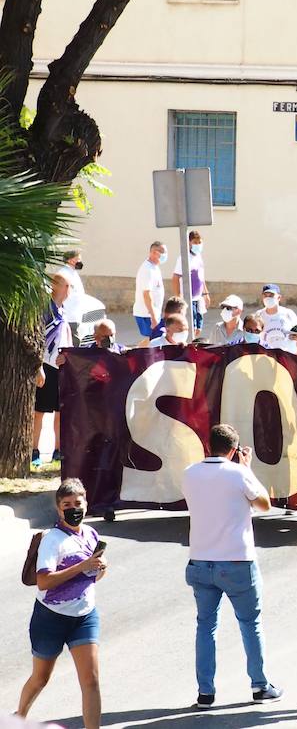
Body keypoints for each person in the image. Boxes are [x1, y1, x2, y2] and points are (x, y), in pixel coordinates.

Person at [182, 424, 282, 708]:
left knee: (205, 627)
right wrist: (247, 468)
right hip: (237, 560)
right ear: (235, 450)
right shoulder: (239, 473)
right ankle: (260, 685)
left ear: (207, 444)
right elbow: (264, 504)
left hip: (200, 560)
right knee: (250, 624)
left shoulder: (190, 474)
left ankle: (205, 692)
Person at [17, 478, 106, 729]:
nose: (73, 508)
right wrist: (83, 566)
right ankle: (19, 715)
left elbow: (93, 577)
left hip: (85, 616)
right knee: (40, 678)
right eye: (67, 504)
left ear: (86, 504)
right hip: (50, 619)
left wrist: (100, 568)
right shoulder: (53, 540)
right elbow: (43, 581)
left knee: (91, 680)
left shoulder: (91, 534)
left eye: (78, 503)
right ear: (59, 509)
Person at [33, 272, 72, 468]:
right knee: (39, 412)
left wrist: (69, 357)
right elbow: (38, 338)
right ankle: (34, 451)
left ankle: (58, 450)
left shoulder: (63, 310)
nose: (69, 290)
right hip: (46, 367)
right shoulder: (46, 310)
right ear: (60, 287)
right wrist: (38, 365)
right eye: (68, 286)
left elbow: (66, 338)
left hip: (61, 368)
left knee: (60, 412)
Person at [172, 230, 211, 335]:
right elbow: (175, 278)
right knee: (190, 329)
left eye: (199, 242)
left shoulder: (198, 257)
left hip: (199, 299)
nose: (198, 245)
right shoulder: (183, 258)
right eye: (195, 242)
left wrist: (205, 294)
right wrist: (178, 298)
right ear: (189, 243)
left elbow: (201, 278)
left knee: (198, 328)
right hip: (189, 299)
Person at [133, 241, 168, 339]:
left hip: (153, 313)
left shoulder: (155, 267)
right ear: (153, 253)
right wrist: (153, 316)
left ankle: (134, 352)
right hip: (146, 314)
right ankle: (136, 353)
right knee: (154, 340)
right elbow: (146, 294)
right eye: (162, 252)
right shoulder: (146, 270)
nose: (164, 255)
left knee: (152, 340)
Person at [256, 284, 297, 351]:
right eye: (265, 295)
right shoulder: (259, 315)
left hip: (287, 354)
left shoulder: (288, 314)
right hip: (266, 355)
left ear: (279, 297)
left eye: (271, 295)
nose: (268, 298)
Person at [58, 249, 86, 341]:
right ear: (70, 260)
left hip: (75, 314)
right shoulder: (64, 274)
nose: (80, 262)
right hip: (69, 314)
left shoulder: (73, 273)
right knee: (73, 342)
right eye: (77, 259)